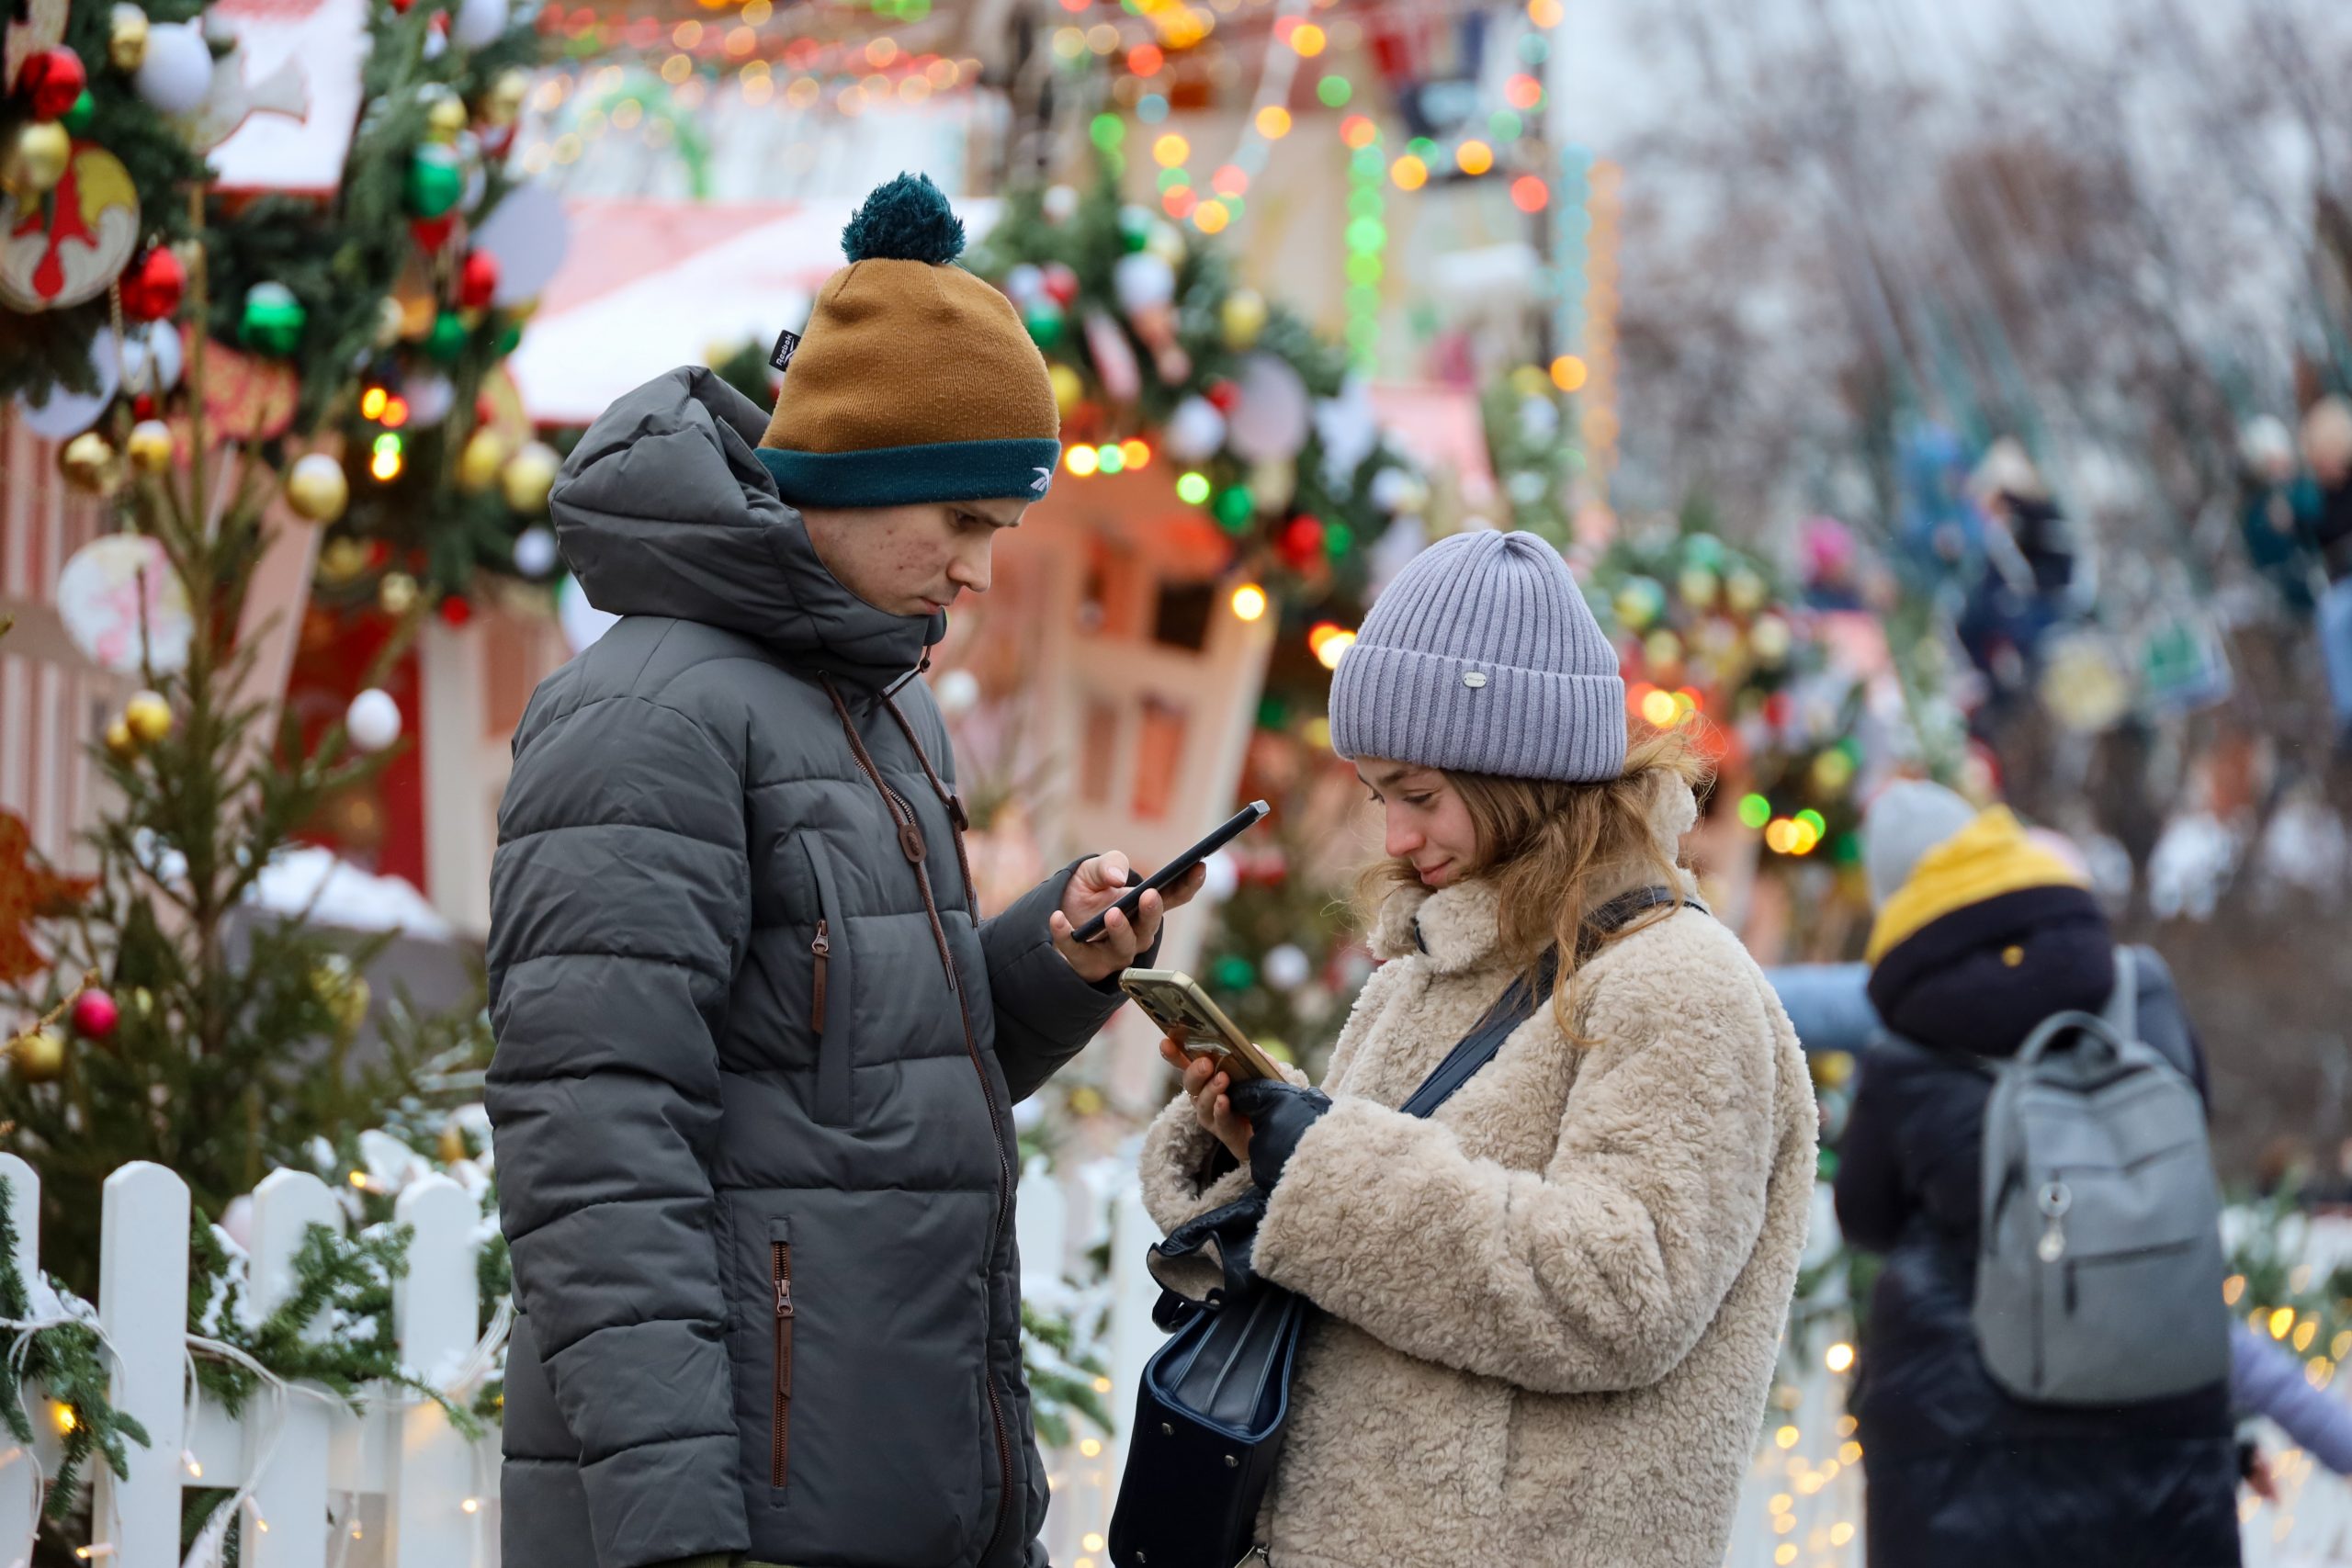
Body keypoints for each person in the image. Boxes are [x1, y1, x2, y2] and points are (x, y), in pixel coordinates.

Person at [484, 175, 1201, 1568]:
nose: (978, 571)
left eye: (998, 531)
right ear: (857, 473)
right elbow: (596, 1146)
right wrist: (682, 1535)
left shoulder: (881, 700)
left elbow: (861, 1088)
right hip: (744, 1514)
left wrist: (1053, 964)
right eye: (963, 520)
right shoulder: (649, 719)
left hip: (891, 1486)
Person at [1136, 529, 1819, 1568]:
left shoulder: (1682, 982)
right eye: (1379, 797)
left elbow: (1622, 1293)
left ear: (1520, 770)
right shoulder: (1432, 966)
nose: (1396, 837)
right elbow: (1364, 1219)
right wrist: (1256, 1145)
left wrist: (1325, 1168)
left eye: (1419, 795)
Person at [1834, 781, 2240, 1568]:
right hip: (2160, 1408)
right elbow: (2194, 1121)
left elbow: (1866, 1215)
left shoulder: (1902, 1053)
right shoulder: (2143, 990)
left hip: (1960, 1430)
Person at [2302, 397, 2352, 750]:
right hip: (2344, 581)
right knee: (2331, 616)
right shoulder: (2326, 496)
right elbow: (2325, 535)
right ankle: (2348, 712)